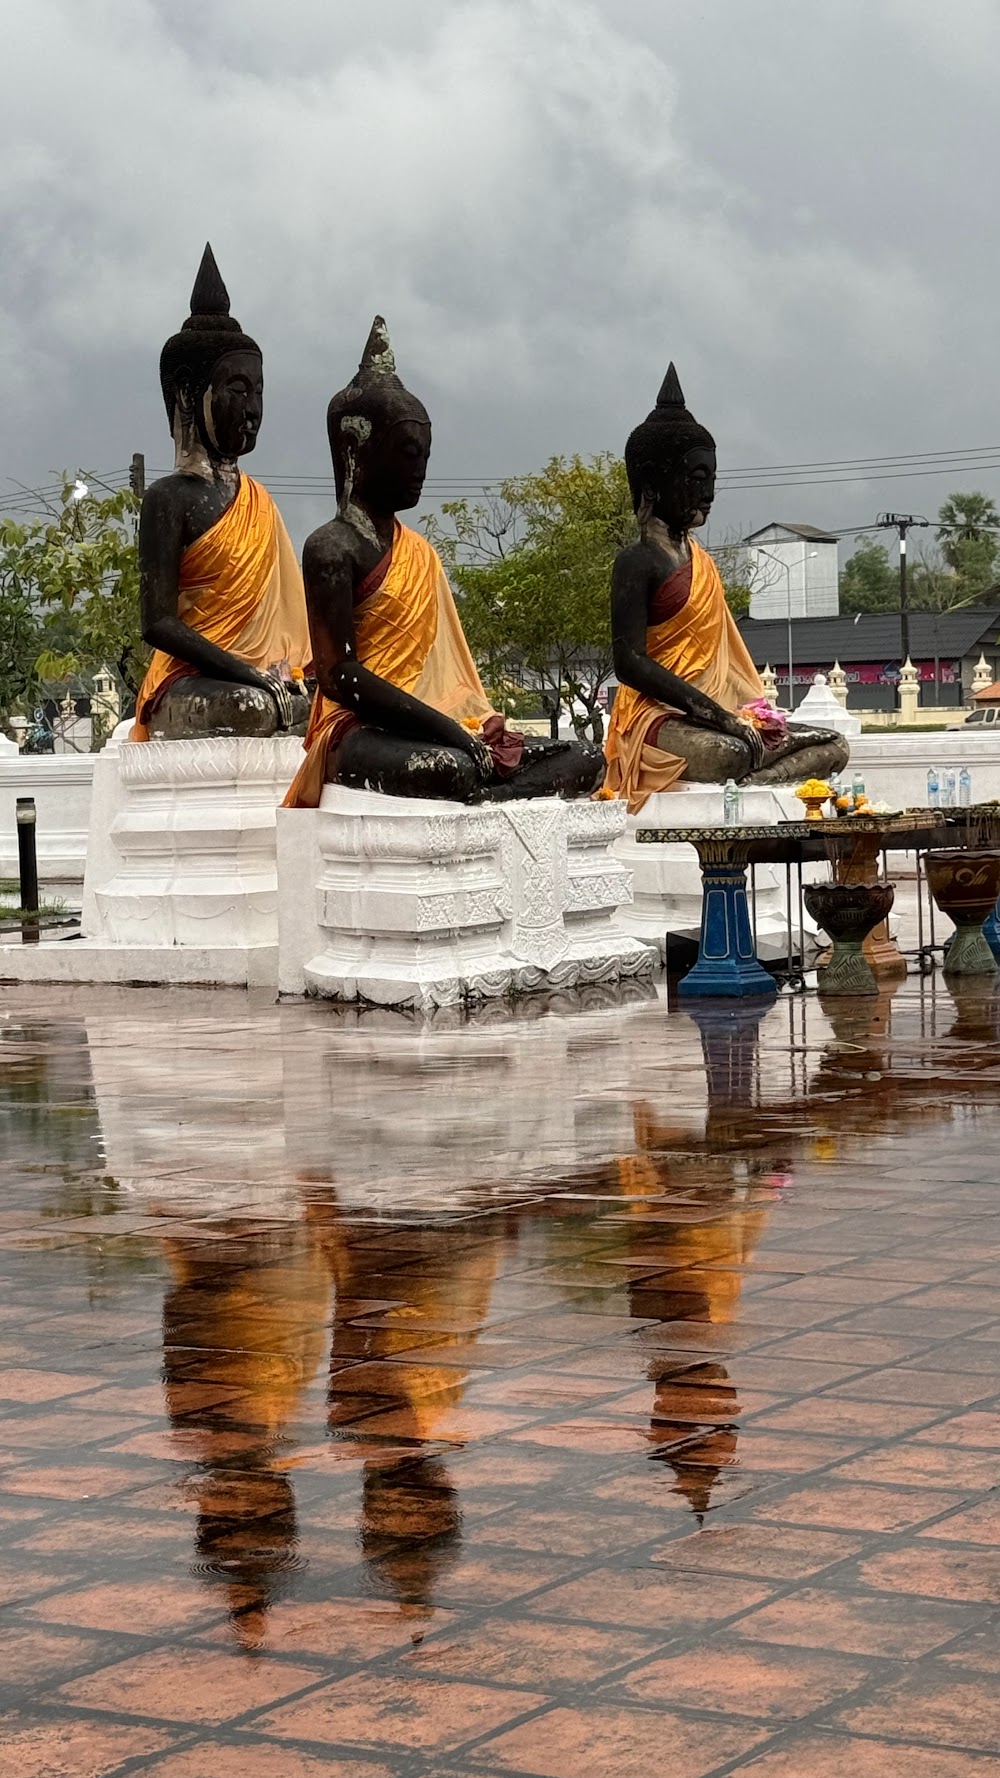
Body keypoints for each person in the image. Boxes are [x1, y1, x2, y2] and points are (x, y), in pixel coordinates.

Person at [283, 318, 603, 806]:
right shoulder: (331, 547)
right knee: (447, 769)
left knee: (585, 757)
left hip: (439, 723)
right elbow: (339, 675)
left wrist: (465, 728)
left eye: (426, 456)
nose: (420, 470)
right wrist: (449, 732)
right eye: (408, 453)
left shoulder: (420, 553)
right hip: (357, 731)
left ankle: (495, 797)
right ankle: (493, 791)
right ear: (356, 448)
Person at [604, 363, 848, 811]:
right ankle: (752, 770)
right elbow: (629, 663)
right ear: (654, 483)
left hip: (717, 714)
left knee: (833, 745)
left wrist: (741, 717)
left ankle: (757, 780)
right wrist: (716, 716)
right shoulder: (636, 562)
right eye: (696, 480)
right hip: (657, 716)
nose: (708, 493)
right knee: (730, 752)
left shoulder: (703, 564)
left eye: (712, 479)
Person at [131, 244, 311, 741]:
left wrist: (279, 672)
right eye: (237, 389)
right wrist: (241, 670)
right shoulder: (168, 498)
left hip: (257, 675)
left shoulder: (260, 503)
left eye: (259, 391)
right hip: (189, 681)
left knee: (317, 705)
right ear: (189, 395)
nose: (253, 408)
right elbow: (158, 623)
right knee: (249, 707)